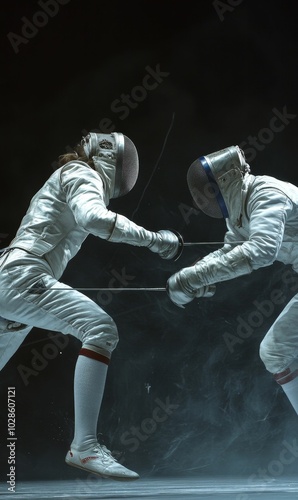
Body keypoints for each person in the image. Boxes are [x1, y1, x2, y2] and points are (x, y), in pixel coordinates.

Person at [0, 131, 180, 480]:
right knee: (99, 328)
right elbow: (94, 219)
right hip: (22, 275)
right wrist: (157, 241)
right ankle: (85, 447)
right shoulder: (82, 174)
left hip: (11, 280)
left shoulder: (72, 174)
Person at [167, 144, 298, 418]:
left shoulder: (267, 194)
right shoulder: (242, 212)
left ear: (225, 181)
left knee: (275, 350)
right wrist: (193, 275)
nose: (202, 202)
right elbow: (230, 251)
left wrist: (194, 277)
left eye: (207, 190)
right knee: (275, 352)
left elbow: (261, 250)